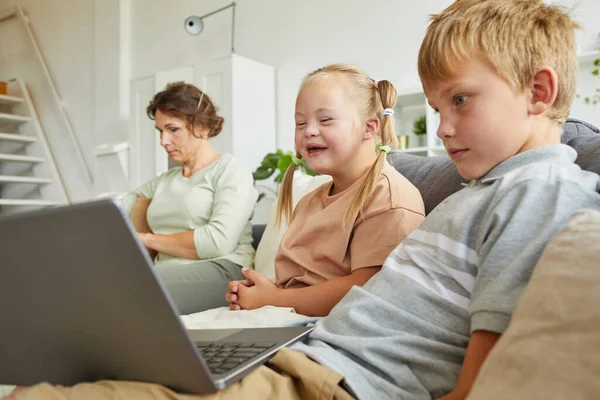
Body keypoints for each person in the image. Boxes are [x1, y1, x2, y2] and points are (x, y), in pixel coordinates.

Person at [5, 1, 600, 399]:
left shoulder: (538, 192)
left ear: (538, 91)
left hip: (338, 377)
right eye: (437, 109)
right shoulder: (479, 193)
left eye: (461, 102)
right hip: (308, 351)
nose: (441, 129)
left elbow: (486, 359)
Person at [225, 64, 426, 317]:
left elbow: (369, 290)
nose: (309, 130)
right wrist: (263, 292)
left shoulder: (389, 197)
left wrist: (274, 300)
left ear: (370, 128)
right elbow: (300, 281)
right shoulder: (310, 201)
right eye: (300, 122)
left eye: (325, 120)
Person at [121, 82, 258, 315]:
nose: (163, 141)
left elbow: (217, 241)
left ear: (202, 127)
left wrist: (147, 240)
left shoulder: (230, 169)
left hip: (223, 268)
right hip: (165, 270)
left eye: (173, 130)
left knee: (128, 289)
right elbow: (117, 210)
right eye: (160, 131)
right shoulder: (163, 181)